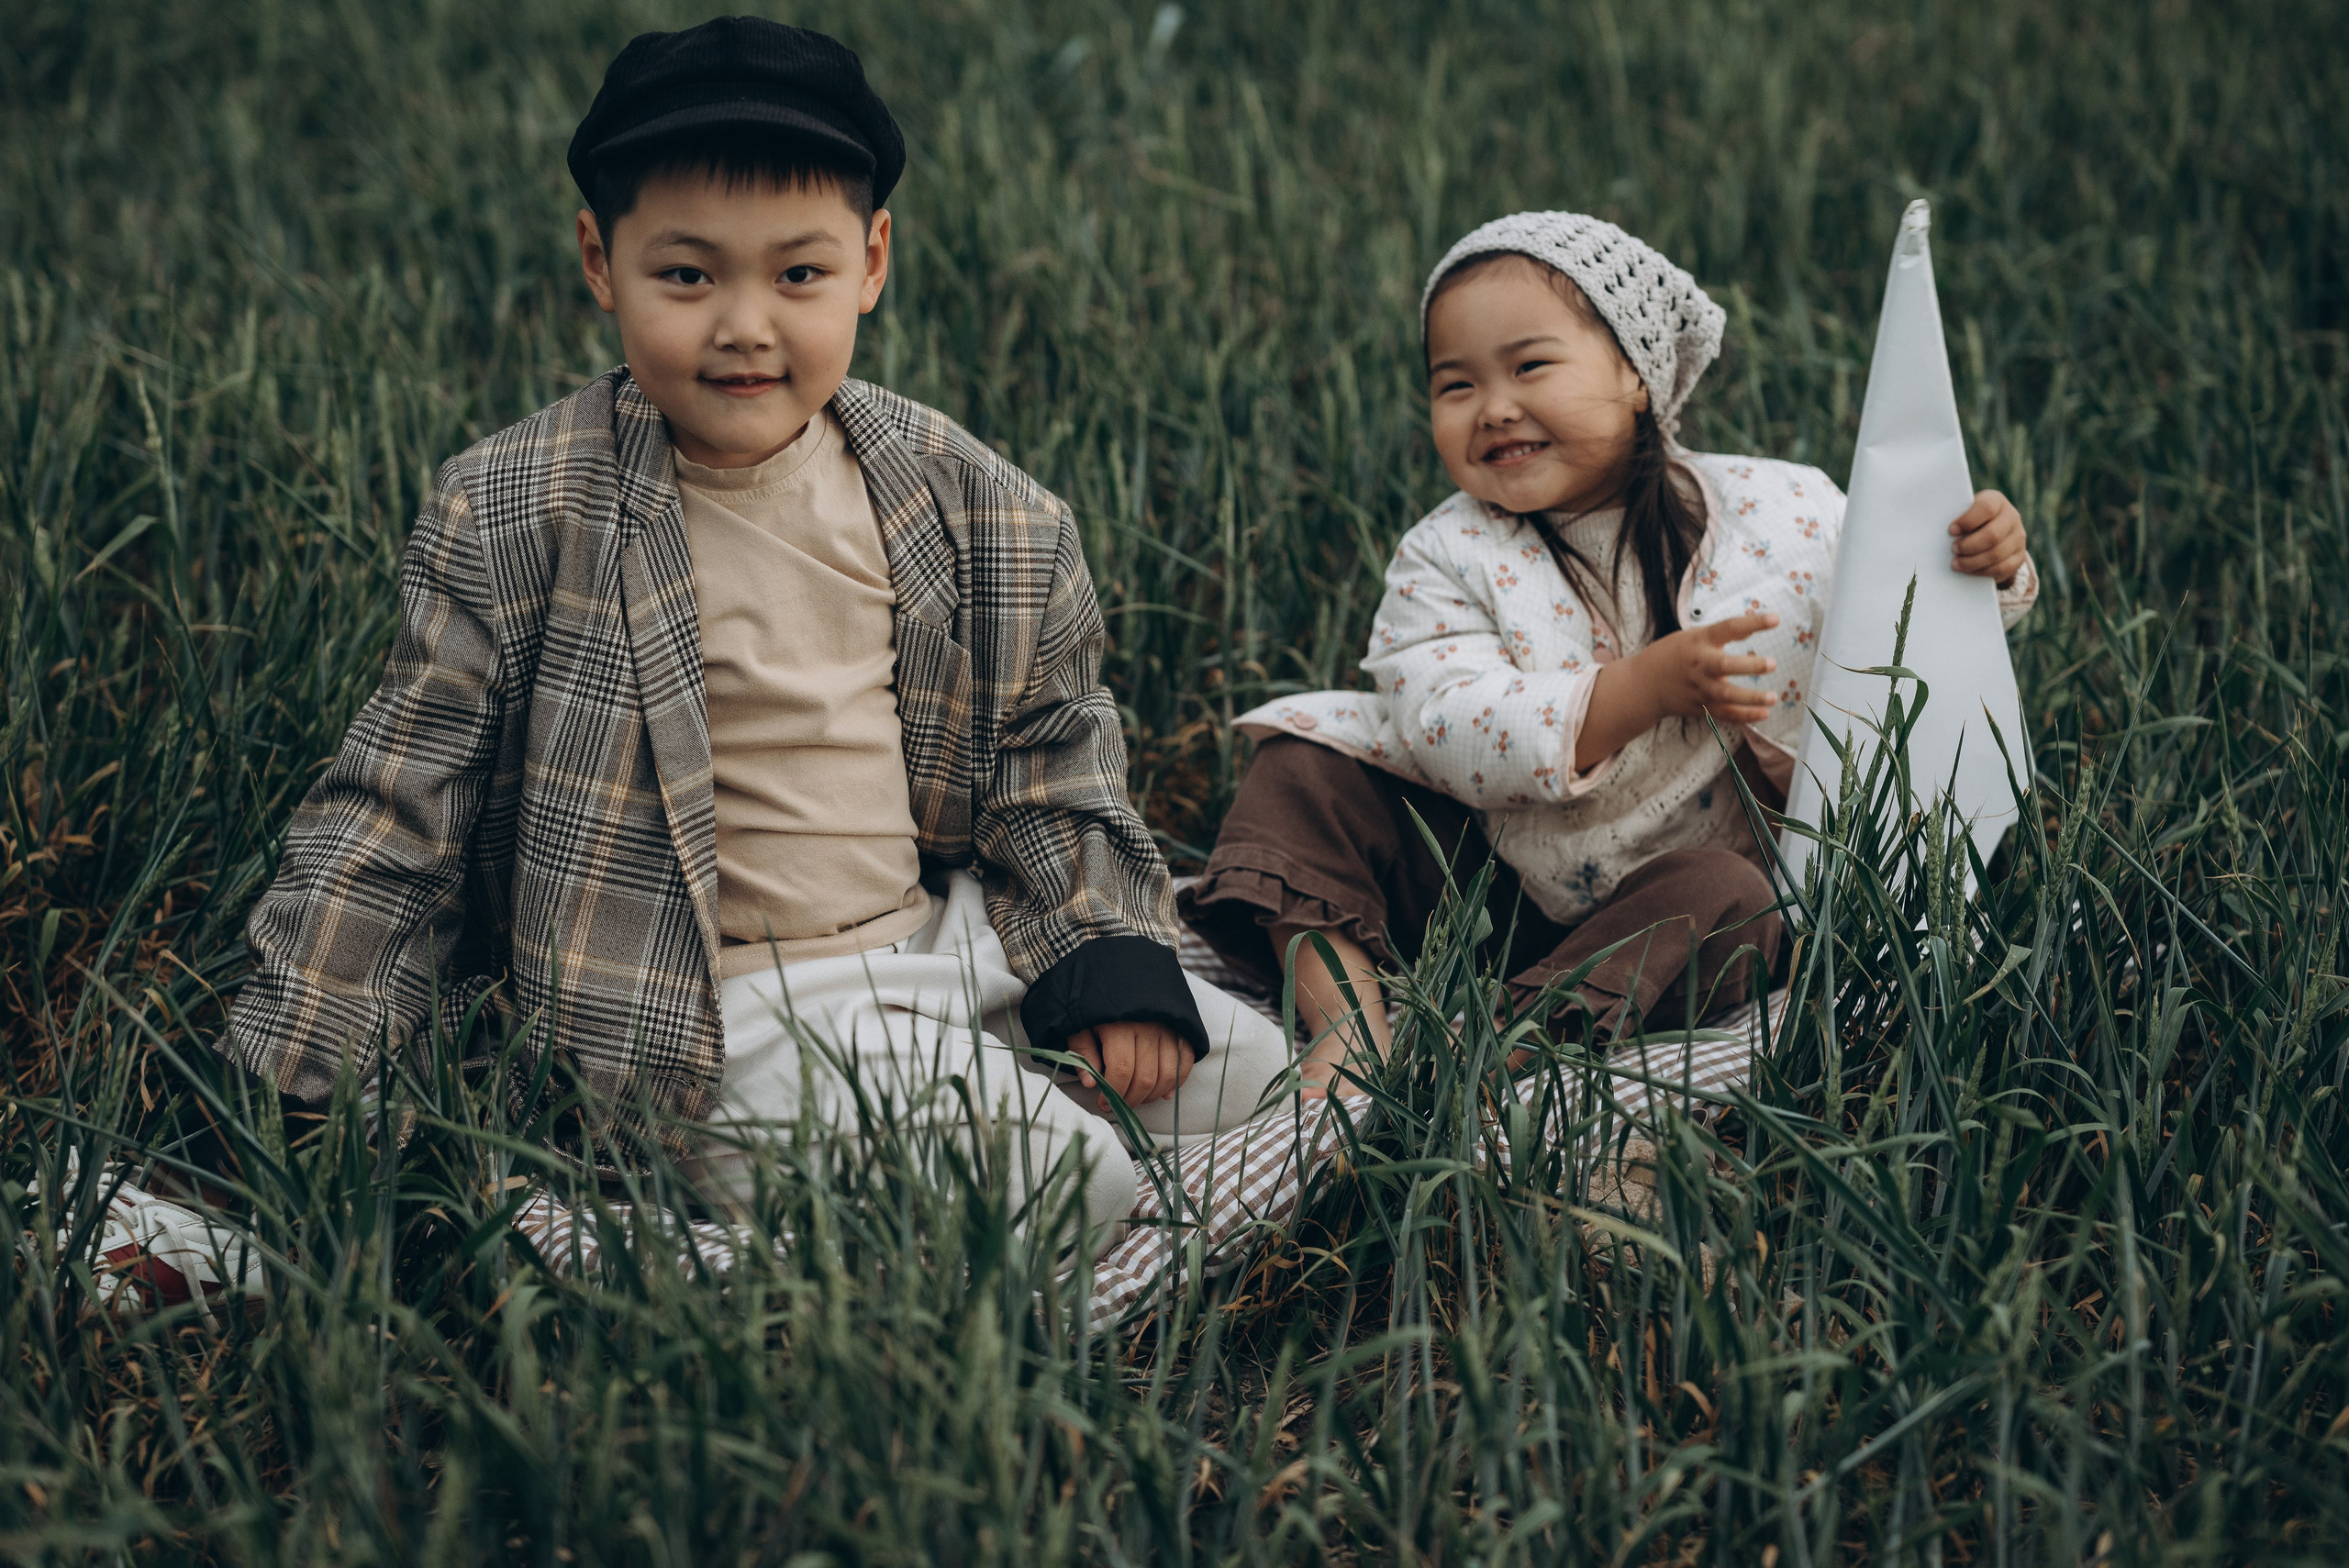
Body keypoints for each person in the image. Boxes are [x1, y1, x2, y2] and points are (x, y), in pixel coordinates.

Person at [210, 17, 1290, 1241]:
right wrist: (302, 1074)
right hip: (718, 1005)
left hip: (941, 935)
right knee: (1059, 1191)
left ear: (872, 262)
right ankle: (880, 1146)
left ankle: (997, 1094)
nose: (744, 324)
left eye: (799, 274)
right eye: (687, 275)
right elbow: (401, 807)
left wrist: (1103, 963)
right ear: (598, 260)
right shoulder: (520, 509)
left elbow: (1051, 763)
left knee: (1252, 1076)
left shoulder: (972, 502)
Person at [1182, 212, 2040, 1096]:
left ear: (1635, 372)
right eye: (1456, 385)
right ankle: (1352, 1026)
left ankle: (1499, 1042)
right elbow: (1441, 722)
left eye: (1529, 366)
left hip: (1668, 894)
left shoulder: (1783, 509)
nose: (1495, 406)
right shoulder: (1447, 552)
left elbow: (1897, 616)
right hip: (1481, 881)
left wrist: (1983, 561)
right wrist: (1639, 689)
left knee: (1729, 897)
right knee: (1299, 767)